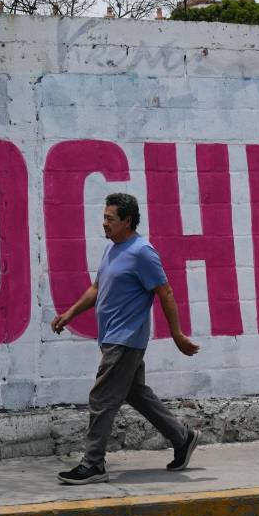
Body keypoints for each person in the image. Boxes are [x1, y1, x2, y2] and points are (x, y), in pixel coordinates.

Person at [51, 192, 201, 485]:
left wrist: (177, 334)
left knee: (102, 397)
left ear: (127, 221)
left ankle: (93, 464)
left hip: (126, 338)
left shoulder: (142, 251)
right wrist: (70, 313)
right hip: (111, 336)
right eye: (104, 217)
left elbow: (165, 292)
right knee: (134, 393)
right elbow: (97, 287)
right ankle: (182, 437)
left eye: (110, 218)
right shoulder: (113, 249)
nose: (104, 223)